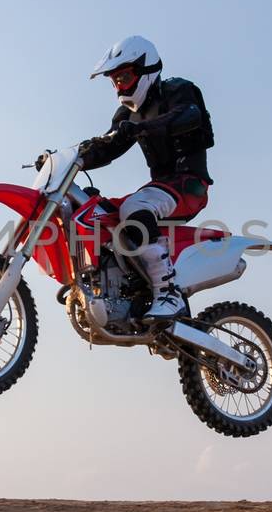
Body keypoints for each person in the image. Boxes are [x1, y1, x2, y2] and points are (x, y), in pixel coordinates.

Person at [78, 36, 214, 321]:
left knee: (134, 209)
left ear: (146, 69)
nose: (120, 87)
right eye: (114, 81)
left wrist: (143, 128)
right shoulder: (127, 114)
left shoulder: (178, 91)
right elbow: (108, 147)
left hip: (188, 185)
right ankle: (119, 285)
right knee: (95, 210)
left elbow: (189, 116)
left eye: (124, 77)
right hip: (158, 189)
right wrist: (74, 157)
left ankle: (168, 292)